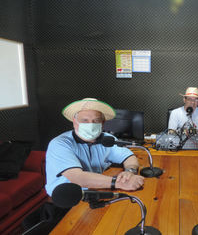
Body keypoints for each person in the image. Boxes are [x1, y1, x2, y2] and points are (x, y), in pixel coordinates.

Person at [22, 98, 145, 232]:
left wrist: (130, 171)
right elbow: (77, 177)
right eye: (85, 120)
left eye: (96, 121)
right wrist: (120, 183)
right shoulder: (60, 144)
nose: (90, 124)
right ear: (75, 122)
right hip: (66, 204)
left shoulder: (107, 140)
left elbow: (129, 156)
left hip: (96, 197)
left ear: (103, 123)